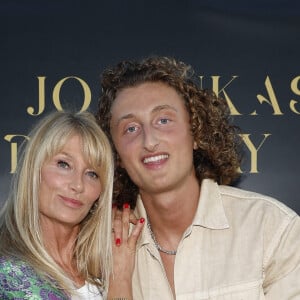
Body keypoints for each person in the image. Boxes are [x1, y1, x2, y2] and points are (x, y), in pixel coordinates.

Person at [96, 56, 300, 299]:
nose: (149, 141)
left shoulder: (272, 228)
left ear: (196, 133)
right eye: (131, 128)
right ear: (115, 153)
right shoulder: (99, 246)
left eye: (163, 120)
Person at [0, 110, 144, 299]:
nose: (78, 185)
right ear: (34, 170)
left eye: (92, 174)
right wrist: (120, 278)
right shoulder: (9, 274)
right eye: (63, 164)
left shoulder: (107, 262)